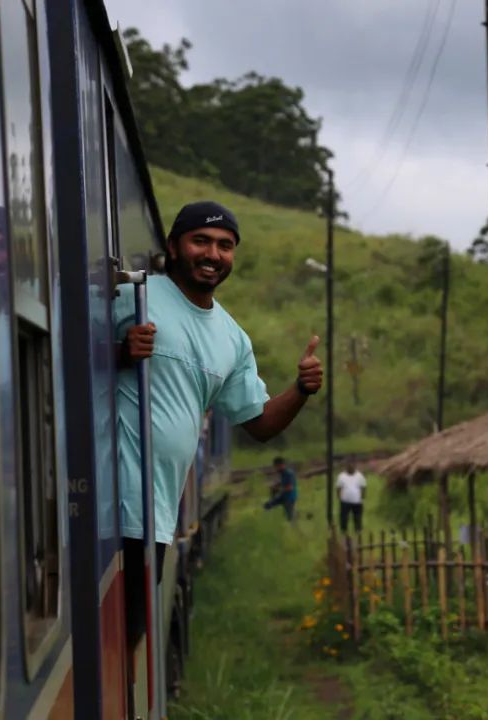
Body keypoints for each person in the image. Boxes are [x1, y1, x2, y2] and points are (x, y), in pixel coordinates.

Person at [115, 200, 323, 659]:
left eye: (225, 246)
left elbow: (261, 424)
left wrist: (301, 390)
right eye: (201, 241)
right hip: (104, 508)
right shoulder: (133, 296)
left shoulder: (233, 339)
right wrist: (117, 351)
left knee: (125, 649)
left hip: (155, 514)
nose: (213, 254)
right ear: (174, 246)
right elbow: (65, 360)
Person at [335, 458, 367, 533]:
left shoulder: (360, 476)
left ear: (355, 466)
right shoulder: (341, 476)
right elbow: (338, 488)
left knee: (357, 516)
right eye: (349, 465)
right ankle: (343, 530)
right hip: (345, 501)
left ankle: (358, 529)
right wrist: (339, 497)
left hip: (357, 501)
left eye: (352, 465)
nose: (350, 467)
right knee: (344, 517)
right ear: (346, 466)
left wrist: (362, 498)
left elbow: (363, 487)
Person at [263, 456, 298, 521]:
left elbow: (290, 487)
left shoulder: (289, 473)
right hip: (283, 496)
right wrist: (275, 485)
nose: (275, 469)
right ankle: (268, 521)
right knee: (267, 505)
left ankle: (292, 524)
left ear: (281, 465)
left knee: (290, 518)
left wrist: (278, 489)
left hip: (289, 498)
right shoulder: (283, 473)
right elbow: (283, 482)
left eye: (276, 467)